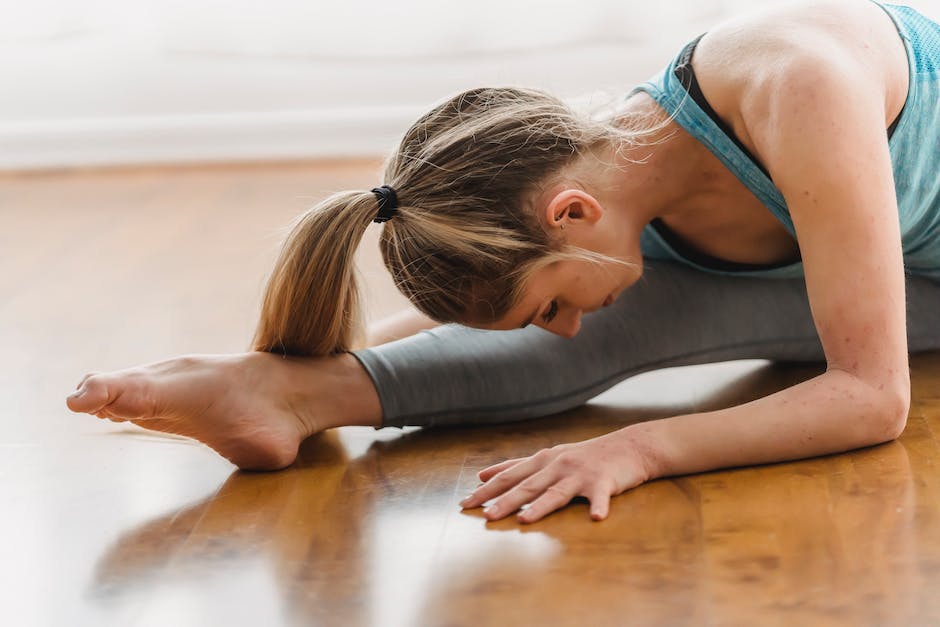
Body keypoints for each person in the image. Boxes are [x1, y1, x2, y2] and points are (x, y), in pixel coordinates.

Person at [66, 0, 940, 524]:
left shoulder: (800, 90)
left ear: (571, 214)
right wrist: (304, 356)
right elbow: (512, 308)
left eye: (548, 303)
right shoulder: (616, 172)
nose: (563, 327)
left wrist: (640, 449)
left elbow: (869, 395)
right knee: (617, 317)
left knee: (629, 320)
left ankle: (296, 392)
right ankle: (282, 389)